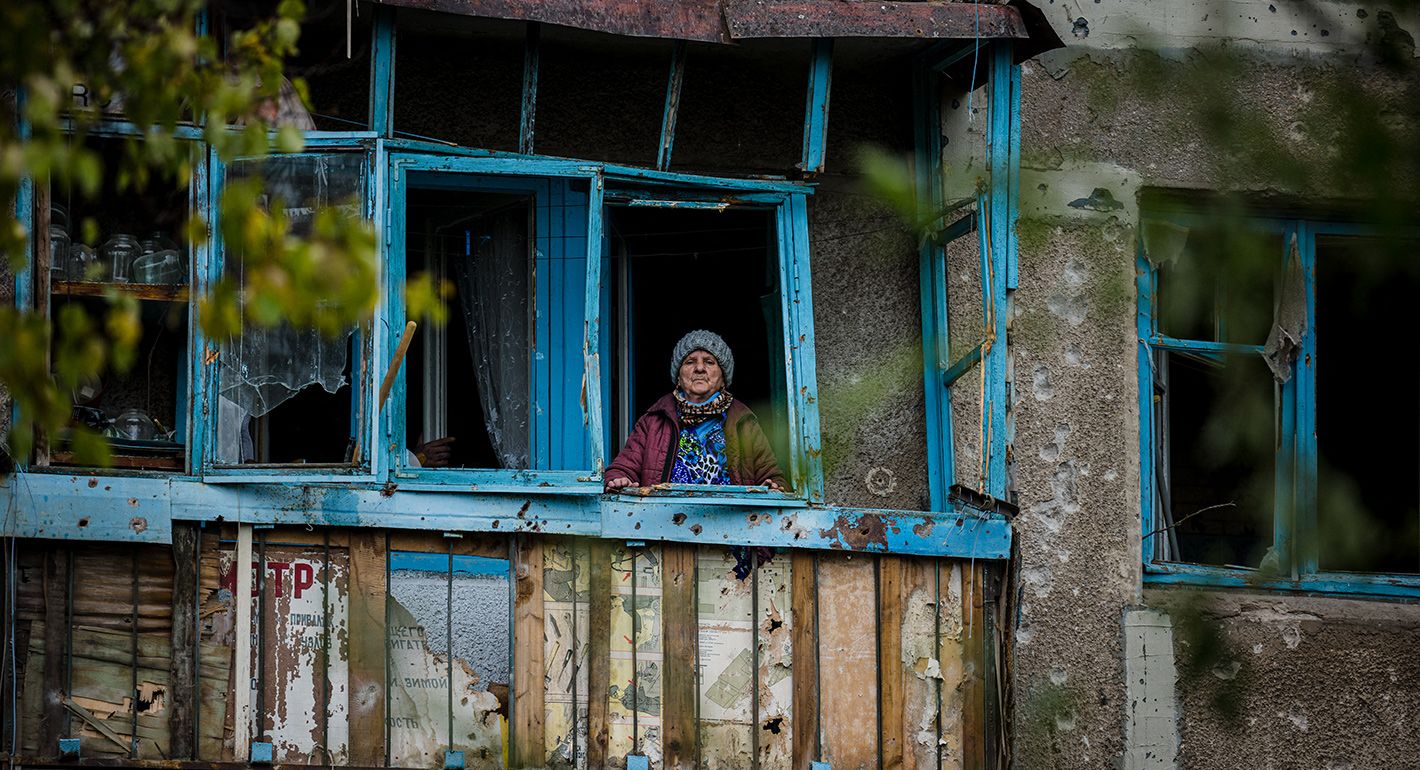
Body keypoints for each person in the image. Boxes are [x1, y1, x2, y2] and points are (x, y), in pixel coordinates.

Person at [605, 330, 786, 492]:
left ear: (723, 378)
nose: (699, 368)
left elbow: (772, 476)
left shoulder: (743, 422)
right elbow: (622, 469)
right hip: (666, 523)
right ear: (678, 376)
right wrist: (619, 479)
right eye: (690, 362)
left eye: (709, 362)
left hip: (730, 524)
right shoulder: (654, 420)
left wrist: (774, 486)